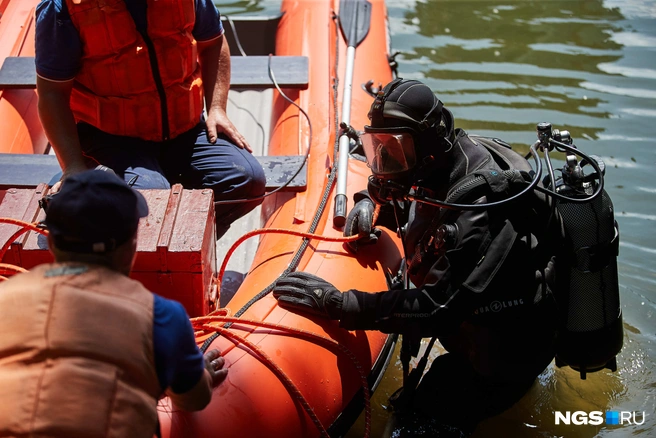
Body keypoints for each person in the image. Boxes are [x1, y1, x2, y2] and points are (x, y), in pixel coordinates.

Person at [272, 79, 564, 435]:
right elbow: (408, 200)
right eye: (375, 146)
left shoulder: (479, 208)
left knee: (410, 426)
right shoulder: (441, 164)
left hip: (506, 357)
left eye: (392, 148)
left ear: (425, 146)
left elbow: (436, 309)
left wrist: (340, 304)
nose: (382, 161)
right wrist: (371, 203)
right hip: (478, 333)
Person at [0, 169, 228, 437]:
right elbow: (193, 400)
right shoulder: (161, 316)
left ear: (50, 242)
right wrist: (198, 372)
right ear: (132, 245)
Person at [34, 0, 266, 238]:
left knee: (247, 180)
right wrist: (72, 165)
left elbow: (213, 43)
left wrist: (216, 108)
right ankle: (79, 188)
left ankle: (186, 246)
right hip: (110, 138)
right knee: (150, 197)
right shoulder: (62, 9)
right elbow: (52, 94)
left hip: (183, 129)